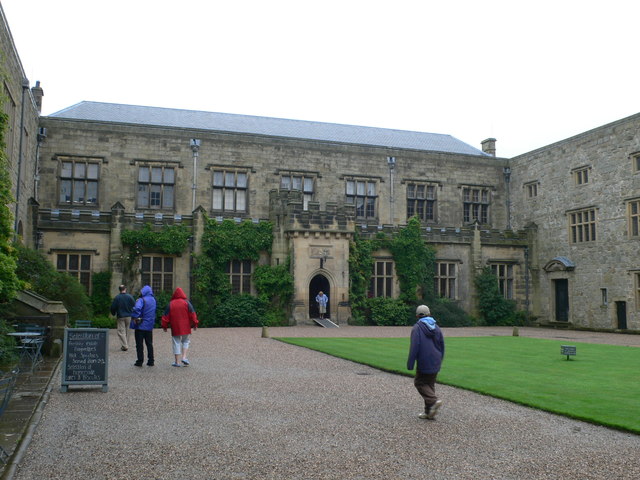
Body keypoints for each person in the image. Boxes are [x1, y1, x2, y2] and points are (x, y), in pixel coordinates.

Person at [407, 304, 445, 420]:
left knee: (420, 383)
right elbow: (441, 345)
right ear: (429, 314)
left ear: (417, 315)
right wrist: (440, 360)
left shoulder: (417, 328)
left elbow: (415, 346)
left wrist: (410, 363)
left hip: (424, 360)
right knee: (429, 384)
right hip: (436, 359)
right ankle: (429, 412)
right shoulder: (436, 327)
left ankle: (433, 401)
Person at [161, 287, 198, 367]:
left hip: (175, 326)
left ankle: (177, 362)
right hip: (185, 326)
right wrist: (195, 323)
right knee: (186, 341)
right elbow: (193, 314)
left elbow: (165, 316)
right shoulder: (187, 302)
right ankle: (184, 357)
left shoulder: (171, 303)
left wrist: (164, 326)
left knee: (176, 342)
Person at [130, 285, 157, 367]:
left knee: (139, 344)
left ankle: (140, 361)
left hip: (140, 325)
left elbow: (137, 308)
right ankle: (151, 360)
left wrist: (134, 316)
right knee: (149, 343)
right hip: (149, 325)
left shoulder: (141, 300)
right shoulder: (153, 300)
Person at [110, 284, 135, 351]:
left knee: (121, 331)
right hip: (129, 315)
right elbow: (134, 305)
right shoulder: (130, 297)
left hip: (121, 316)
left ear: (119, 290)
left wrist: (113, 313)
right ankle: (125, 344)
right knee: (127, 331)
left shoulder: (117, 298)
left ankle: (125, 345)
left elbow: (113, 307)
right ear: (125, 289)